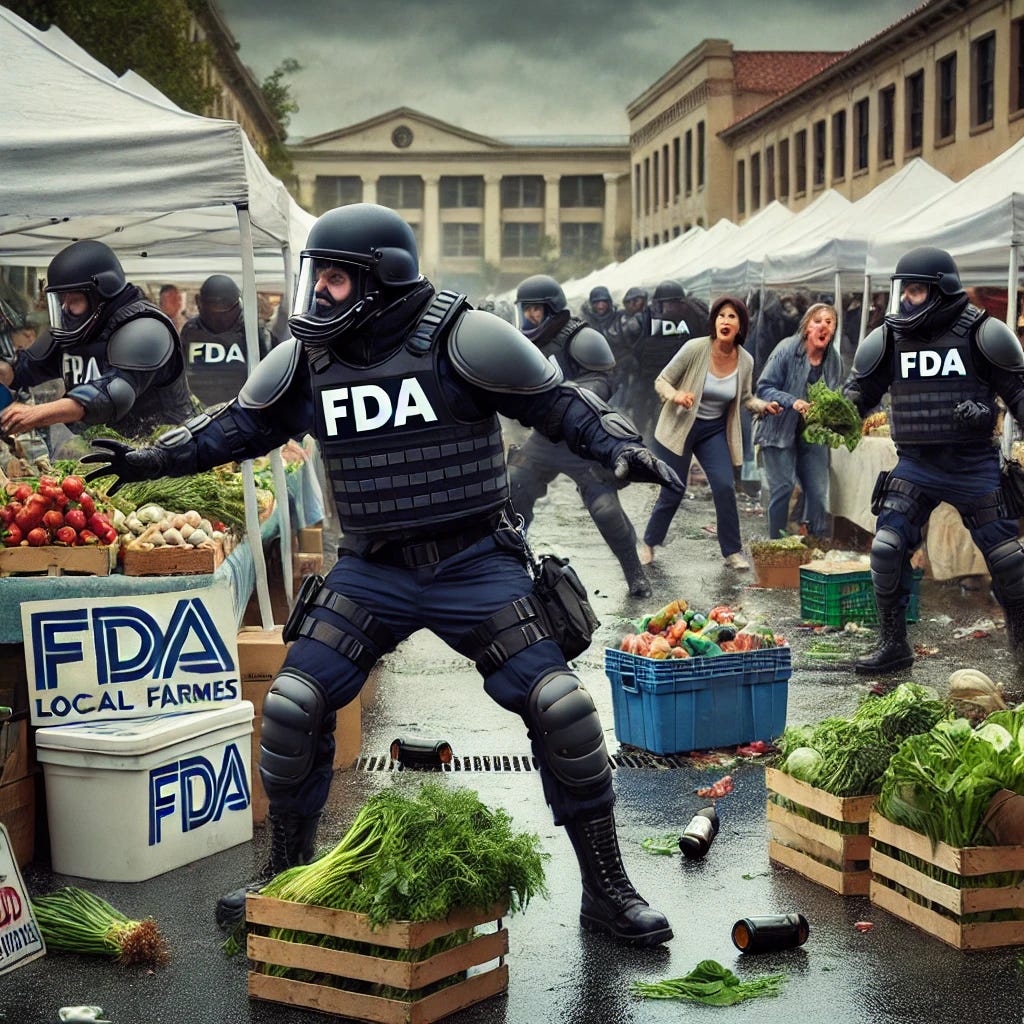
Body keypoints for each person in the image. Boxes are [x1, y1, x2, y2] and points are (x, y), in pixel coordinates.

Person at [82, 203, 682, 947]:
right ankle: (285, 880)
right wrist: (149, 459)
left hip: (476, 562)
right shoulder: (311, 359)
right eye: (319, 276)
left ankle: (607, 891)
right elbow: (236, 424)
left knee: (562, 709)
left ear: (382, 279)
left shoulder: (465, 337)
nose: (320, 292)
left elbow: (560, 403)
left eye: (335, 278)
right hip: (371, 569)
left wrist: (616, 446)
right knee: (293, 706)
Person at [842, 246, 1024, 674]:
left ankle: (1021, 641)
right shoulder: (890, 337)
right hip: (917, 466)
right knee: (886, 549)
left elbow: (1019, 395)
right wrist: (839, 411)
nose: (907, 299)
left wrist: (989, 414)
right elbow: (858, 395)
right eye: (905, 290)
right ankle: (893, 643)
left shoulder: (984, 333)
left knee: (1009, 561)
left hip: (973, 465)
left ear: (942, 289)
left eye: (918, 290)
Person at [507, 274, 654, 599]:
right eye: (527, 309)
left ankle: (635, 573)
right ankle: (513, 569)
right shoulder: (520, 340)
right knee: (515, 490)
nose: (531, 316)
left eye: (537, 309)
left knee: (605, 510)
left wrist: (569, 401)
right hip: (543, 439)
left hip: (581, 438)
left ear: (552, 308)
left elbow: (604, 378)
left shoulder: (579, 336)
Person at [0, 240, 196, 445]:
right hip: (101, 452)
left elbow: (111, 396)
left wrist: (35, 413)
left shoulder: (145, 329)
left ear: (100, 294)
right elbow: (25, 369)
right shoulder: (79, 326)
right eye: (61, 300)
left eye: (74, 299)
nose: (66, 309)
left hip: (165, 454)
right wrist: (5, 372)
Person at [640, 295, 779, 569]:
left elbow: (746, 398)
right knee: (674, 489)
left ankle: (732, 552)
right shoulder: (695, 348)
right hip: (681, 426)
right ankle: (648, 543)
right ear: (714, 321)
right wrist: (676, 395)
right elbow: (662, 380)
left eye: (731, 317)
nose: (725, 321)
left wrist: (762, 406)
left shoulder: (746, 361)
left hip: (713, 430)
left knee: (725, 486)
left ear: (741, 325)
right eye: (721, 316)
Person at [754, 302, 843, 541]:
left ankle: (813, 541)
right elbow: (763, 389)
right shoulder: (786, 349)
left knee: (818, 490)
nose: (823, 326)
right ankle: (777, 544)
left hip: (812, 433)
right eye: (817, 321)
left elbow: (837, 395)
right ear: (806, 328)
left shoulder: (833, 361)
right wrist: (793, 402)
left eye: (829, 322)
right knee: (783, 488)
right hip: (778, 428)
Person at [627, 280, 709, 441]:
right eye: (667, 304)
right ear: (658, 304)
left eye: (675, 303)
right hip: (653, 379)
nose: (671, 308)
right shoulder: (646, 319)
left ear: (682, 303)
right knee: (644, 413)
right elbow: (637, 348)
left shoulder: (694, 317)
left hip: (685, 379)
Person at [180, 274, 273, 409]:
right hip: (199, 412)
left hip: (243, 410)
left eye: (224, 311)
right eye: (213, 309)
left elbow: (267, 377)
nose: (218, 318)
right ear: (199, 303)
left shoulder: (252, 332)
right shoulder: (191, 331)